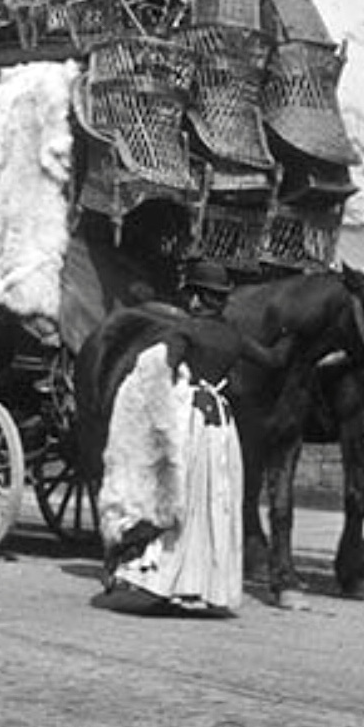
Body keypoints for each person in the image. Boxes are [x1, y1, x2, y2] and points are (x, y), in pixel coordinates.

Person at [98, 259, 291, 614]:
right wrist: (290, 334)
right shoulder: (233, 336)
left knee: (179, 497)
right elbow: (274, 360)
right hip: (221, 428)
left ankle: (168, 580)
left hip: (189, 420)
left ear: (199, 298)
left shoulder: (185, 332)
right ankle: (204, 584)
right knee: (213, 500)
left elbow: (160, 372)